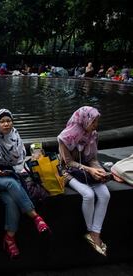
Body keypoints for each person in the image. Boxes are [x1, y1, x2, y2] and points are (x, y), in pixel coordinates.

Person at [0, 109, 50, 259]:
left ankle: (9, 237)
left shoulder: (15, 136)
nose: (6, 124)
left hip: (9, 175)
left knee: (11, 201)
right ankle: (35, 217)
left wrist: (15, 170)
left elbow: (19, 161)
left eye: (9, 121)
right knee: (10, 183)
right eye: (2, 121)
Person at [57, 106, 110, 256]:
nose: (96, 125)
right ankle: (91, 233)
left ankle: (95, 233)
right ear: (84, 119)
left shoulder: (93, 134)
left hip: (88, 172)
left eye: (97, 121)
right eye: (94, 121)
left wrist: (99, 170)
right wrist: (90, 170)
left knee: (105, 195)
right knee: (88, 195)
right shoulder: (65, 137)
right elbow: (67, 163)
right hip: (69, 172)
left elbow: (92, 158)